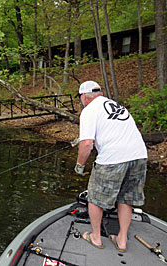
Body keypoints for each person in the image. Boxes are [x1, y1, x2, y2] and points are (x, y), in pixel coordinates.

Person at [73, 80, 147, 252]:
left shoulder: (89, 110)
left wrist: (79, 165)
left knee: (95, 198)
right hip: (139, 155)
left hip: (113, 158)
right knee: (126, 198)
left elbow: (86, 144)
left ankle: (96, 238)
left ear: (84, 96)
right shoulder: (115, 105)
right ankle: (121, 240)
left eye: (80, 97)